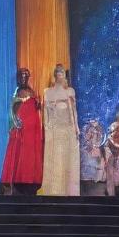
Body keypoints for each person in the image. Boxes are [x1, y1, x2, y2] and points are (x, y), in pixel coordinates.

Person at [0, 67, 43, 194]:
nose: (23, 78)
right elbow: (13, 108)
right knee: (20, 152)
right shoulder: (17, 91)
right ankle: (19, 180)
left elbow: (35, 107)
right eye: (21, 76)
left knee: (30, 154)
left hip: (32, 129)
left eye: (25, 76)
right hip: (22, 128)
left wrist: (38, 104)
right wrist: (14, 121)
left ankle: (30, 179)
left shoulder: (31, 91)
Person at [39, 64, 80, 197]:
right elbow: (46, 113)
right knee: (55, 160)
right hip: (55, 130)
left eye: (62, 73)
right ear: (55, 75)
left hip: (67, 129)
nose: (60, 75)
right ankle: (54, 191)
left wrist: (76, 129)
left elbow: (73, 112)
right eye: (58, 73)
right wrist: (47, 129)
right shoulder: (47, 92)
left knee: (67, 160)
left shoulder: (70, 91)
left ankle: (69, 191)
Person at [103, 110, 119, 197]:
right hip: (112, 152)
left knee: (118, 173)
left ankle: (115, 192)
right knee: (111, 173)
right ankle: (111, 193)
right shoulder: (112, 127)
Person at [79, 119, 107, 196]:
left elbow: (101, 176)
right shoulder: (83, 151)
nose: (90, 135)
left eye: (93, 133)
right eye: (89, 132)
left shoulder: (101, 152)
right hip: (84, 185)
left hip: (96, 186)